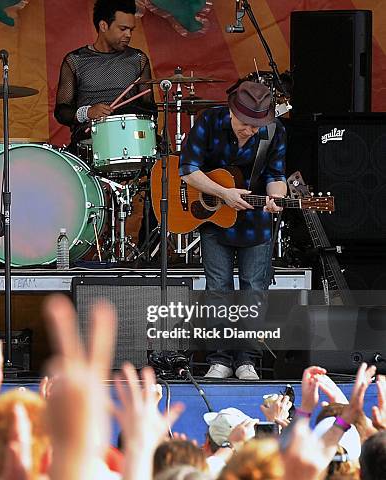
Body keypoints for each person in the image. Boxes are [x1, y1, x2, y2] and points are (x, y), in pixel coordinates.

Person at [179, 81, 287, 380]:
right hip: (215, 220)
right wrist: (223, 194)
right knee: (218, 290)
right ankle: (219, 359)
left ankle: (247, 361)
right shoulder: (209, 121)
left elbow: (276, 175)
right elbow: (188, 169)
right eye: (245, 124)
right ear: (231, 111)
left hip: (255, 224)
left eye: (257, 125)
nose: (250, 130)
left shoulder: (274, 131)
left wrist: (277, 197)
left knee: (254, 291)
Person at [54, 0, 157, 153]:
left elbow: (150, 108)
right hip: (88, 143)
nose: (128, 35)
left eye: (131, 30)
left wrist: (124, 116)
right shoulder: (75, 60)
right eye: (123, 29)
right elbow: (61, 112)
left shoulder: (138, 59)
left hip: (132, 142)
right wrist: (87, 112)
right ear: (103, 26)